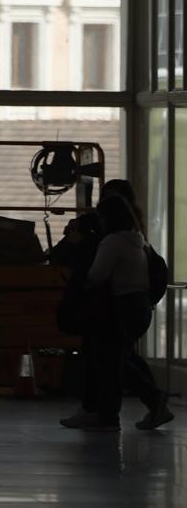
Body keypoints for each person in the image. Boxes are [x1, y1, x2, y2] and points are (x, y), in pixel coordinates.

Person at [60, 180, 172, 431]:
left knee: (110, 361)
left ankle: (130, 408)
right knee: (117, 359)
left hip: (122, 306)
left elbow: (97, 276)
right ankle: (145, 403)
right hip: (140, 306)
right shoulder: (137, 238)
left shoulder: (111, 242)